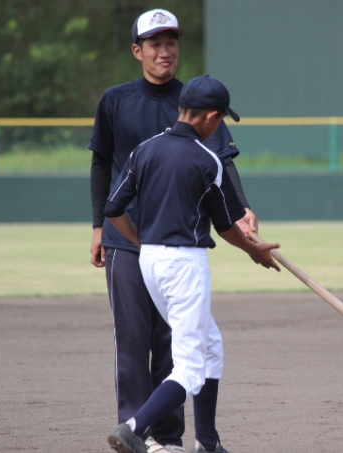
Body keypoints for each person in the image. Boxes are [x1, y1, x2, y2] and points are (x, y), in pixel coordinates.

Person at [87, 9, 258, 453]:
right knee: (133, 341)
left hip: (174, 235)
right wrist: (98, 226)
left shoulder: (196, 99)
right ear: (137, 50)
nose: (165, 51)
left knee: (172, 343)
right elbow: (102, 164)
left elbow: (223, 164)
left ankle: (168, 438)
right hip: (127, 238)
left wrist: (242, 209)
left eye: (171, 42)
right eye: (155, 43)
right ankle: (136, 431)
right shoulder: (116, 100)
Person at [103, 75, 280, 453]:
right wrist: (254, 251)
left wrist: (139, 241)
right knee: (190, 367)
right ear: (211, 116)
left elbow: (113, 208)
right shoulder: (206, 160)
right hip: (185, 265)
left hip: (150, 261)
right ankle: (134, 427)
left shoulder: (145, 150)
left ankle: (208, 443)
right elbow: (227, 226)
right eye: (222, 119)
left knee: (210, 346)